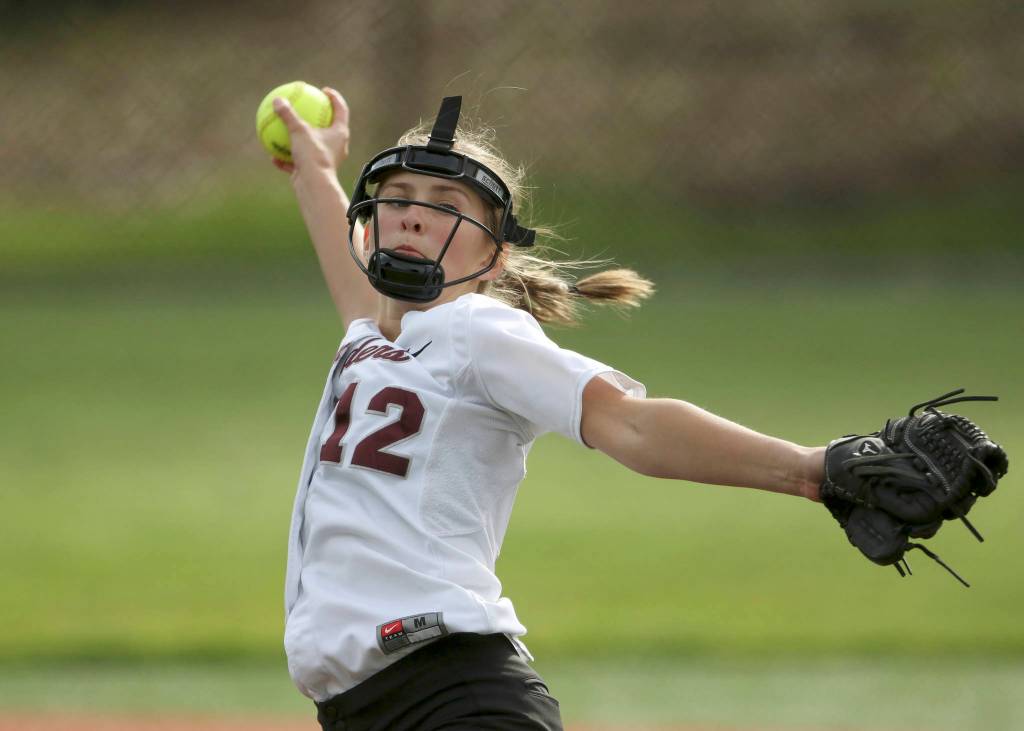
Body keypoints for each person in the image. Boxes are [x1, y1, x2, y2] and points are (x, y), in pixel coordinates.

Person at [270, 88, 826, 731]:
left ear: (494, 256)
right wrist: (313, 170)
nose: (414, 218)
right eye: (397, 200)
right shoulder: (372, 340)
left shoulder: (476, 330)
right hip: (377, 710)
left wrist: (811, 469)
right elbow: (354, 286)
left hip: (452, 697)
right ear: (370, 224)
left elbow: (630, 422)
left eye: (447, 207)